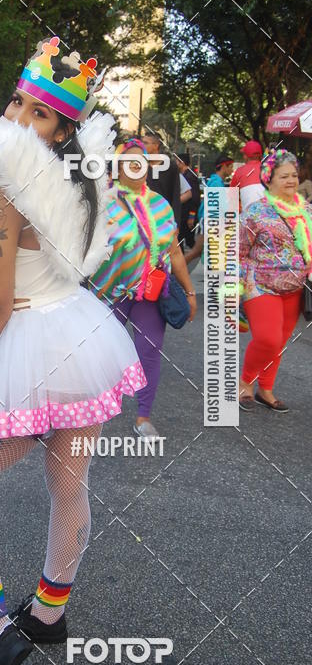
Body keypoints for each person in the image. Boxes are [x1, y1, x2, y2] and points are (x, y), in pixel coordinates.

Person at [0, 37, 146, 665]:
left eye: (41, 113)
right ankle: (50, 611)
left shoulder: (11, 187)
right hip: (84, 339)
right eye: (17, 102)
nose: (22, 118)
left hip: (29, 345)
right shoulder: (85, 178)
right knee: (68, 481)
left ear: (62, 128)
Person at [91, 139, 197, 441]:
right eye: (130, 161)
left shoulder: (160, 205)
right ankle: (91, 411)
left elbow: (175, 252)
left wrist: (190, 293)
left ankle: (143, 416)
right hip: (109, 292)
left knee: (149, 351)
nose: (137, 166)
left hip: (151, 293)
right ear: (119, 167)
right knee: (100, 352)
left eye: (142, 161)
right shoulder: (104, 202)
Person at [238, 149, 312, 412]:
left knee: (279, 342)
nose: (291, 180)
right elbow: (240, 251)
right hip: (260, 285)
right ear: (268, 179)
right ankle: (245, 382)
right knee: (267, 339)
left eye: (294, 175)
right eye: (284, 176)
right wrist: (234, 290)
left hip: (295, 289)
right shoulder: (255, 212)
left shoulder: (306, 210)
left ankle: (265, 389)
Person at [143, 132, 181, 224]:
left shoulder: (170, 166)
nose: (142, 146)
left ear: (156, 145)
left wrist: (176, 222)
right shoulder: (140, 166)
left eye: (146, 143)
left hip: (163, 220)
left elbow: (175, 196)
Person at [176, 153, 201, 249]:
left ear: (182, 163)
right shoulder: (184, 175)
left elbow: (194, 199)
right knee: (184, 242)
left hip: (187, 216)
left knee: (187, 242)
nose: (175, 163)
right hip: (183, 215)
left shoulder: (190, 177)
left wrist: (192, 216)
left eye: (177, 161)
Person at [230, 140, 264, 210]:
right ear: (260, 155)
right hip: (270, 217)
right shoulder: (270, 169)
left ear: (246, 156)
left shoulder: (239, 171)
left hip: (248, 218)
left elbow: (232, 199)